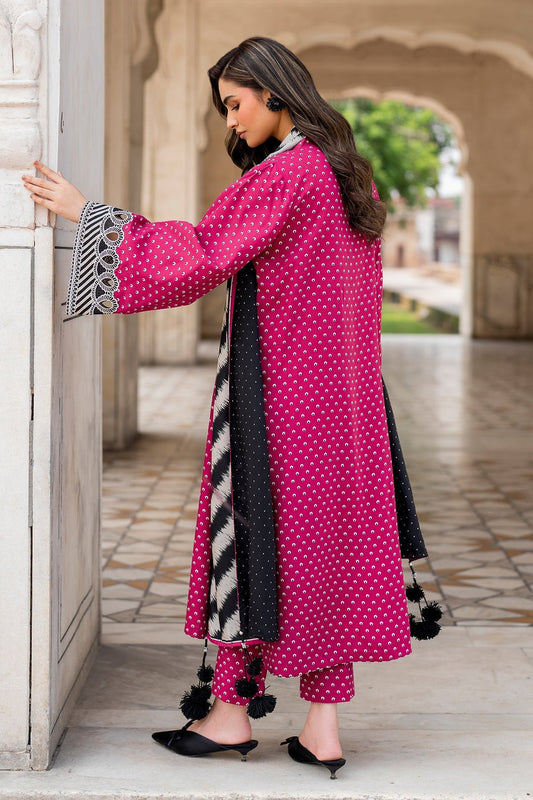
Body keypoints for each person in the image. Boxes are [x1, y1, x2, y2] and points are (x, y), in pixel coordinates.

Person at [23, 36, 435, 779]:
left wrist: (90, 215)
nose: (232, 121)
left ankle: (230, 713)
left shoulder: (288, 174)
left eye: (236, 104)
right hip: (346, 402)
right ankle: (322, 730)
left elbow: (199, 254)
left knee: (248, 549)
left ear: (275, 93)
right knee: (324, 555)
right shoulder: (349, 174)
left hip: (279, 398)